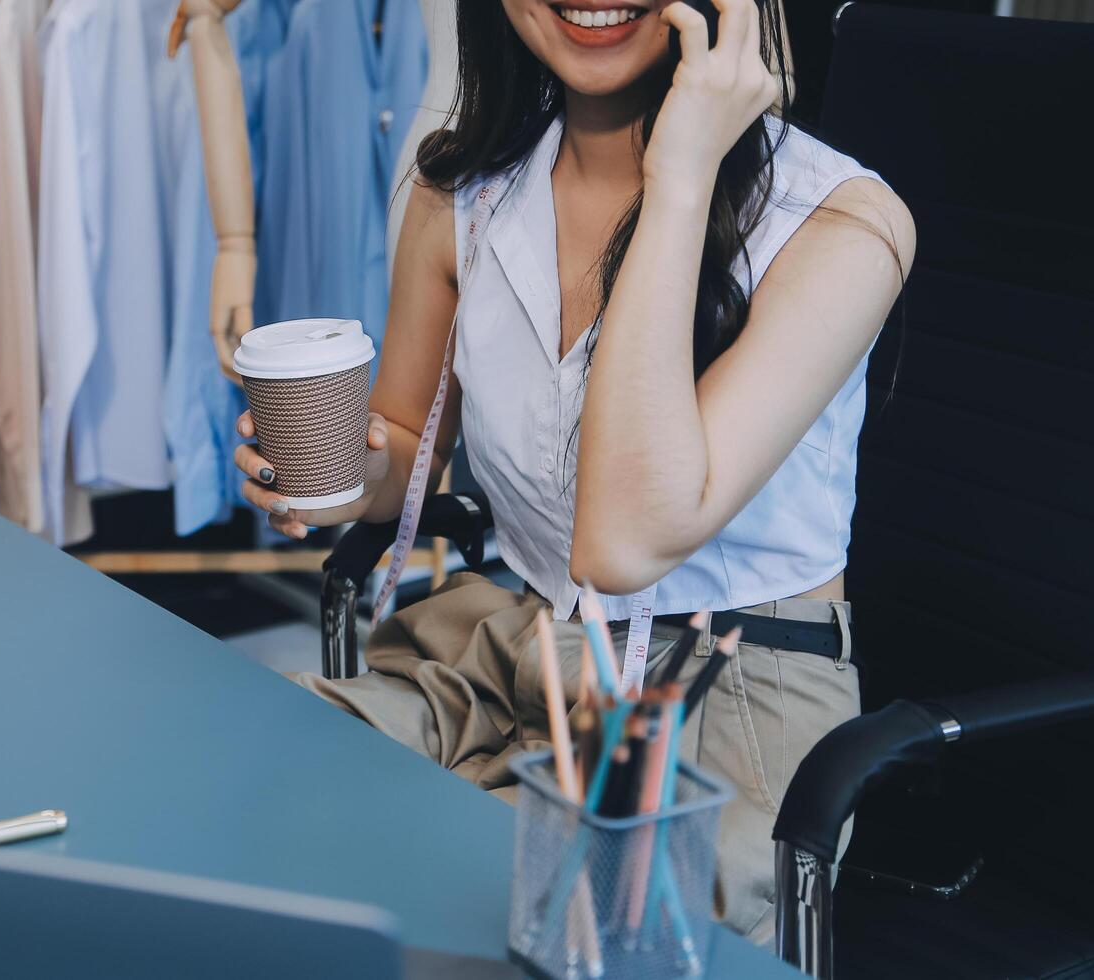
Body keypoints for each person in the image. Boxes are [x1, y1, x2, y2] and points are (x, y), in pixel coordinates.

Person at [233, 0, 914, 943]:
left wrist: (677, 179)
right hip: (511, 649)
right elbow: (405, 444)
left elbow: (622, 545)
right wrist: (330, 470)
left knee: (480, 926)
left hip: (721, 697)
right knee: (258, 807)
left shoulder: (839, 225)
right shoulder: (459, 195)